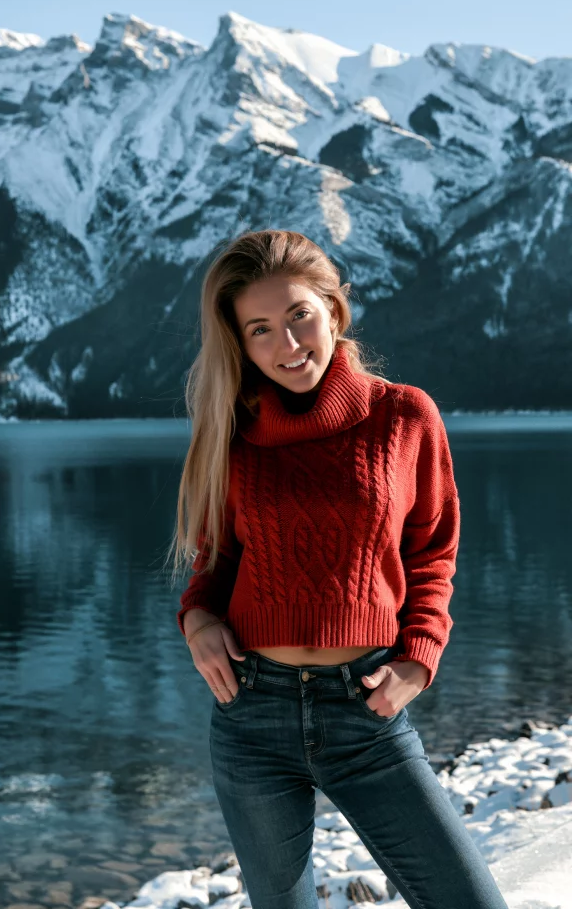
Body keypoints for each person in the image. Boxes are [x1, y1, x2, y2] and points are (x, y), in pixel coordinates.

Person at [166, 229, 509, 909]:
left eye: (299, 316)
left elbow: (433, 550)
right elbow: (216, 562)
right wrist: (198, 618)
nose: (287, 345)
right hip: (249, 711)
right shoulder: (231, 433)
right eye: (260, 330)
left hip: (366, 710)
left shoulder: (405, 415)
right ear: (239, 342)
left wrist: (419, 655)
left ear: (333, 307)